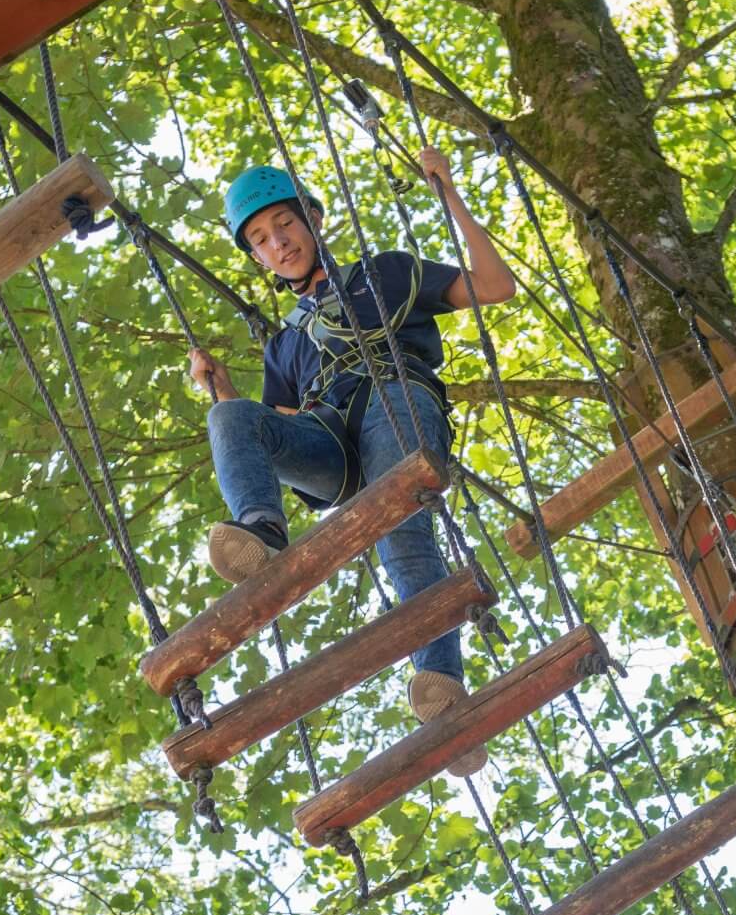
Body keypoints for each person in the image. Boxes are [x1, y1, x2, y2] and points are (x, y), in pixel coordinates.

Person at [187, 151, 514, 774]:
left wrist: (448, 194)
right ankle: (262, 530)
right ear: (255, 257)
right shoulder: (284, 344)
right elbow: (272, 434)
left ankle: (442, 688)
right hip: (330, 438)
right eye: (260, 239)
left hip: (394, 397)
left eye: (285, 225)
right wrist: (225, 389)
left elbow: (495, 287)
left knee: (401, 532)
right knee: (231, 419)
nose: (278, 243)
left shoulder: (385, 274)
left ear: (313, 219)